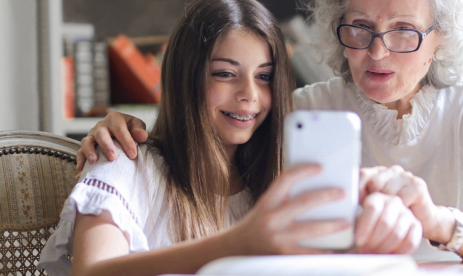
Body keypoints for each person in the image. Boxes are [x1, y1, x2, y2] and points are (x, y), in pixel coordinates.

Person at [77, 0, 463, 262]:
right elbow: (211, 139)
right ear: (336, 29)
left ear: (441, 40)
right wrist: (119, 126)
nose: (377, 52)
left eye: (404, 31)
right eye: (359, 28)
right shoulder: (299, 112)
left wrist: (437, 221)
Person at [38, 1, 422, 275]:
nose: (249, 95)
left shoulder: (275, 177)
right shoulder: (124, 161)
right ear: (186, 76)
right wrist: (240, 242)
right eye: (225, 73)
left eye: (265, 76)